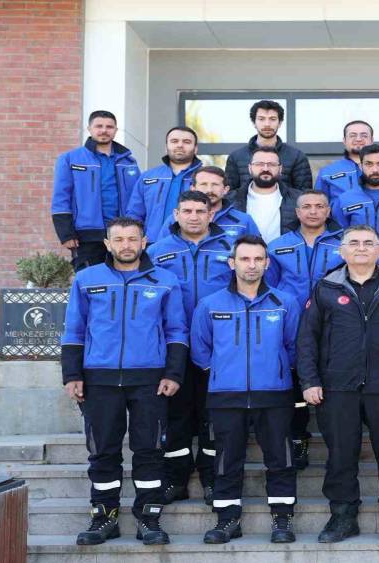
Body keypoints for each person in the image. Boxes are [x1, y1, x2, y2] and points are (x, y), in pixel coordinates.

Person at [61, 217, 187, 546]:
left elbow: (176, 331)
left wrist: (173, 373)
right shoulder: (87, 279)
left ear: (144, 242)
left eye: (132, 239)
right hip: (99, 379)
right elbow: (74, 330)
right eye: (119, 239)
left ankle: (149, 518)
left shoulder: (165, 281)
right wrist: (72, 374)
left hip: (150, 380)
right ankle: (104, 517)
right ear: (107, 244)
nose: (126, 245)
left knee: (150, 450)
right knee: (102, 451)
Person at [297, 225, 379, 544]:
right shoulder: (326, 288)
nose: (361, 248)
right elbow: (307, 338)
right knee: (340, 456)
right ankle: (342, 518)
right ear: (342, 251)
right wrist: (310, 380)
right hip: (338, 386)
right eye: (354, 242)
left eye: (369, 243)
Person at [190, 235, 302, 544]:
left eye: (257, 259)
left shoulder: (285, 302)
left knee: (281, 457)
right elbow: (200, 349)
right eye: (244, 259)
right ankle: (227, 520)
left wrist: (277, 369)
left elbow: (294, 346)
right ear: (232, 263)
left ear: (267, 264)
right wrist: (224, 373)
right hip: (225, 395)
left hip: (274, 393)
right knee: (226, 459)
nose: (251, 265)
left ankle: (282, 519)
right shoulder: (210, 304)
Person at [147, 190, 233, 505]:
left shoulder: (230, 248)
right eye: (187, 211)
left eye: (200, 211)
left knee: (213, 416)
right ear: (176, 214)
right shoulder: (156, 252)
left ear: (211, 214)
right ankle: (176, 480)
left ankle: (212, 480)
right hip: (174, 344)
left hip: (218, 344)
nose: (194, 216)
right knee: (177, 416)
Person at [265, 189, 345, 468]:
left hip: (335, 324)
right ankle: (298, 438)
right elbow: (268, 288)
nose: (313, 211)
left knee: (333, 383)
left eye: (319, 206)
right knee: (295, 384)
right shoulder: (278, 246)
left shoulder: (344, 243)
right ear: (297, 212)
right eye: (307, 206)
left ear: (328, 211)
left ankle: (340, 444)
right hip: (291, 324)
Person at [52, 110, 141, 271]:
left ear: (115, 130)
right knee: (90, 280)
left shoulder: (129, 162)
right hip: (86, 235)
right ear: (89, 129)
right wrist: (66, 233)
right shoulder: (70, 159)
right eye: (99, 126)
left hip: (123, 233)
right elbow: (61, 197)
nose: (104, 130)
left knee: (123, 279)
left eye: (109, 127)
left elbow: (138, 198)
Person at [125, 126, 202, 245]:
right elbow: (134, 214)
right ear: (166, 147)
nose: (180, 145)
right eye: (174, 141)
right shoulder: (147, 177)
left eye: (186, 142)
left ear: (195, 148)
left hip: (194, 245)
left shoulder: (205, 178)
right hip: (152, 244)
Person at [225, 100, 312, 192]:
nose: (267, 124)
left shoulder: (296, 156)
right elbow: (229, 195)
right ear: (254, 122)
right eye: (261, 119)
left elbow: (304, 195)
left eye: (272, 119)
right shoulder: (236, 157)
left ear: (280, 123)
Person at [229, 146, 303, 244]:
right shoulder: (230, 200)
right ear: (250, 168)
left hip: (284, 253)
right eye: (259, 164)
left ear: (280, 169)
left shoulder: (298, 199)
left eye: (272, 164)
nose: (265, 169)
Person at [188, 166, 261, 242]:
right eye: (203, 184)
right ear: (193, 189)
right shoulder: (181, 219)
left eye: (215, 184)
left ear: (225, 190)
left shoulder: (244, 221)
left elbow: (258, 248)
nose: (209, 190)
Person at [315, 120, 374, 206]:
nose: (358, 139)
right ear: (344, 140)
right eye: (352, 135)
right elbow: (318, 205)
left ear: (372, 140)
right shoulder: (327, 172)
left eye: (364, 135)